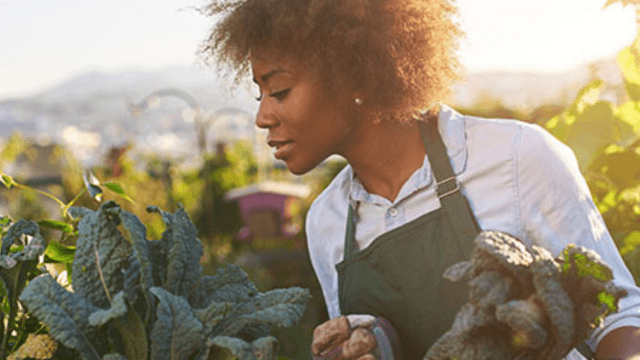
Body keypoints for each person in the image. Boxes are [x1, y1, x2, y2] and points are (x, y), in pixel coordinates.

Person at [201, 0, 640, 358]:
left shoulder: (516, 158)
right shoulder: (328, 222)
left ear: (353, 72)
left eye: (279, 92)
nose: (262, 117)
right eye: (260, 95)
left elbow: (622, 315)